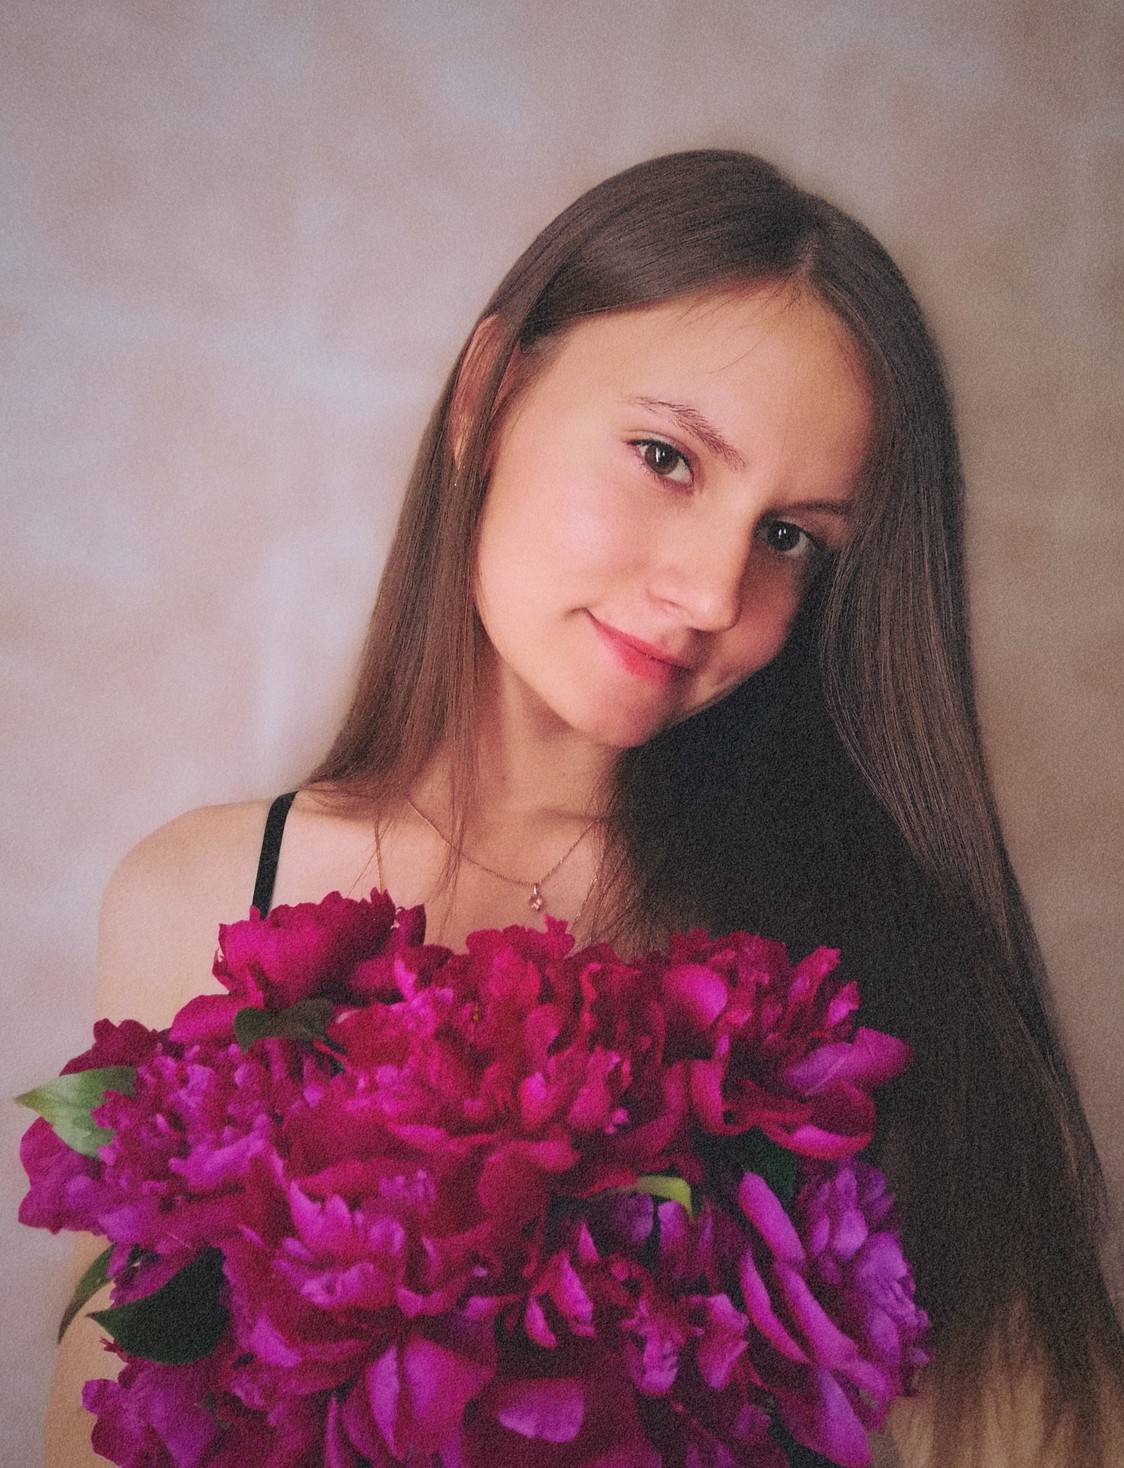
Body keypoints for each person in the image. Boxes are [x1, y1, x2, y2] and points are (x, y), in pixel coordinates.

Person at [47, 149, 1123, 1466]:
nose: (714, 593)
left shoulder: (840, 984)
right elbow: (106, 1428)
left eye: (792, 536)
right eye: (667, 458)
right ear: (489, 396)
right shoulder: (197, 896)